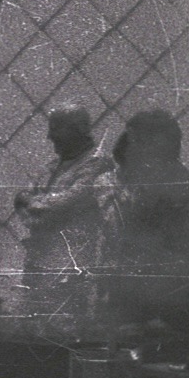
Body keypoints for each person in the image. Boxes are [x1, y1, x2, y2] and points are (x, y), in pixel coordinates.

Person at [96, 110, 189, 357]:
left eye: (138, 139)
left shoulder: (177, 183)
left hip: (163, 291)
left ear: (159, 141)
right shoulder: (139, 177)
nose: (131, 143)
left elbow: (179, 244)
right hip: (133, 286)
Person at [14, 104, 114, 337]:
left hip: (69, 263)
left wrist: (36, 204)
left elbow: (69, 201)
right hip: (39, 258)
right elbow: (21, 200)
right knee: (32, 330)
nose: (50, 136)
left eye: (56, 129)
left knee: (62, 332)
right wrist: (40, 205)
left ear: (77, 130)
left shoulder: (97, 164)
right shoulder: (54, 166)